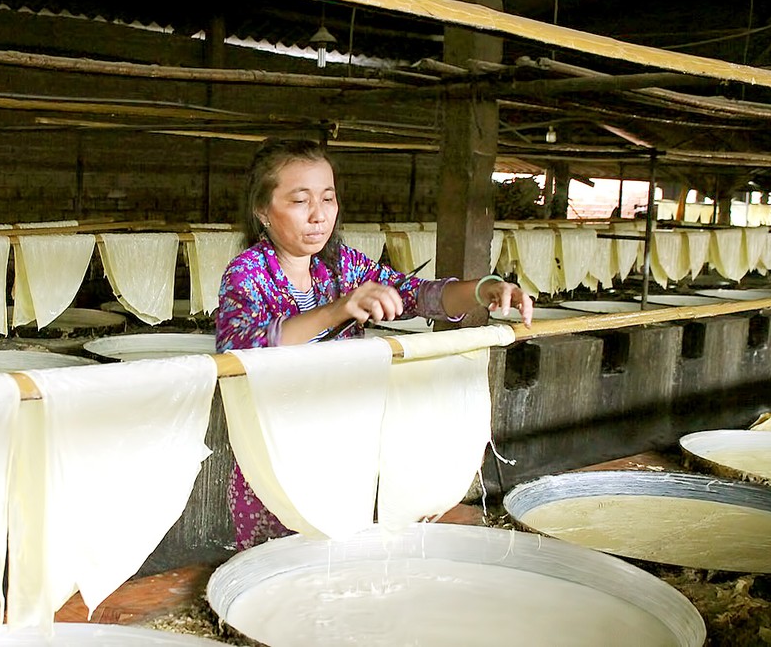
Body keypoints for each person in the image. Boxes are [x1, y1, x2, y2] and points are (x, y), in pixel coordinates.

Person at [215, 137, 534, 551]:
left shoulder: (342, 265)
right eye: (300, 201)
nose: (318, 215)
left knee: (342, 553)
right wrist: (339, 309)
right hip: (278, 451)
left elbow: (418, 295)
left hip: (346, 444)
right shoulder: (247, 274)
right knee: (278, 565)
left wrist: (484, 289)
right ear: (262, 210)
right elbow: (242, 347)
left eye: (328, 199)